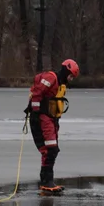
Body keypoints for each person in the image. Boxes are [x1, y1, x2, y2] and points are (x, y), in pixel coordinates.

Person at [25, 58, 79, 193]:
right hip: (42, 119)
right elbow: (37, 94)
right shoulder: (51, 78)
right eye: (71, 76)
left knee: (50, 151)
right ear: (66, 71)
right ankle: (46, 181)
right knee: (50, 150)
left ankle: (47, 181)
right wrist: (36, 113)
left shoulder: (61, 83)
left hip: (52, 120)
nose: (71, 79)